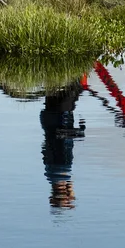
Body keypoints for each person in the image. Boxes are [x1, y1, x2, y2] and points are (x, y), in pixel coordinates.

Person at [40, 75, 86, 209]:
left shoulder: (64, 170)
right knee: (53, 81)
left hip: (62, 117)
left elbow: (64, 142)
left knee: (75, 83)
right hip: (48, 119)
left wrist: (79, 132)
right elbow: (45, 148)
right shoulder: (48, 173)